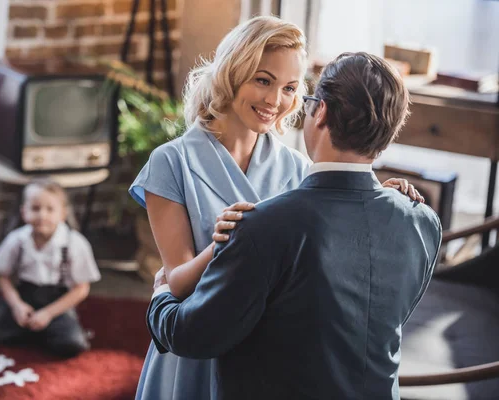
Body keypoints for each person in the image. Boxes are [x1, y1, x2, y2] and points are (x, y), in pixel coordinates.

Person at [129, 16, 423, 400]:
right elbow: (178, 283)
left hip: (266, 360)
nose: (274, 101)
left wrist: (376, 199)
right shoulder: (171, 163)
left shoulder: (298, 166)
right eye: (263, 80)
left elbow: (319, 248)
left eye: (288, 88)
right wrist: (221, 245)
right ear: (233, 73)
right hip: (194, 353)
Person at [0, 178, 101, 358]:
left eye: (50, 209)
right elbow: (2, 276)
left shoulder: (74, 243)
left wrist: (47, 313)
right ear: (24, 212)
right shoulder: (17, 240)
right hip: (25, 299)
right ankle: (25, 326)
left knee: (72, 344)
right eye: (35, 208)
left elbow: (81, 288)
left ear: (63, 213)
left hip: (56, 305)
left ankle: (35, 330)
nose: (42, 216)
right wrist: (17, 306)